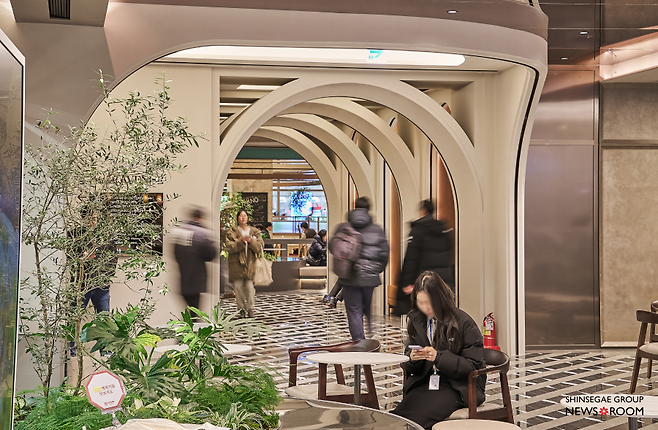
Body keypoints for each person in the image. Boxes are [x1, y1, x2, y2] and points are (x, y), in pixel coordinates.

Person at [391, 271, 485, 429]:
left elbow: (474, 365)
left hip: (457, 387)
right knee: (397, 418)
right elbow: (411, 364)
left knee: (415, 421)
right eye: (421, 303)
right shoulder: (417, 320)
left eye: (429, 303)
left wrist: (439, 357)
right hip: (426, 383)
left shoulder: (463, 322)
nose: (425, 308)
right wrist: (412, 358)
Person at [330, 197, 389, 340]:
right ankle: (369, 330)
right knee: (366, 307)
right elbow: (384, 254)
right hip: (370, 278)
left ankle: (359, 342)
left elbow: (332, 247)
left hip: (350, 277)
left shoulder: (343, 227)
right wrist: (376, 270)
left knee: (354, 311)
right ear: (369, 209)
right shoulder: (377, 229)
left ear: (354, 206)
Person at [394, 200, 454, 317]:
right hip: (441, 280)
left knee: (422, 313)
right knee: (438, 312)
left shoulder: (418, 229)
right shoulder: (444, 230)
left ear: (423, 211)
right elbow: (448, 256)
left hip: (424, 279)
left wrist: (407, 282)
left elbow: (411, 259)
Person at [173, 208, 218, 314]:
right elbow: (212, 254)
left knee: (190, 311)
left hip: (183, 279)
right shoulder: (201, 233)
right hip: (197, 281)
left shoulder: (180, 232)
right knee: (195, 313)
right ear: (199, 218)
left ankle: (187, 324)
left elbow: (175, 254)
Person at [225, 209, 264, 318]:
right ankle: (241, 310)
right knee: (238, 288)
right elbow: (229, 247)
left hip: (251, 264)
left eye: (245, 215)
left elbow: (260, 247)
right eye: (241, 215)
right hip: (236, 264)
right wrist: (240, 242)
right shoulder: (232, 232)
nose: (243, 217)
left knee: (250, 288)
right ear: (237, 218)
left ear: (247, 218)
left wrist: (251, 242)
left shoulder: (254, 231)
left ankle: (251, 309)